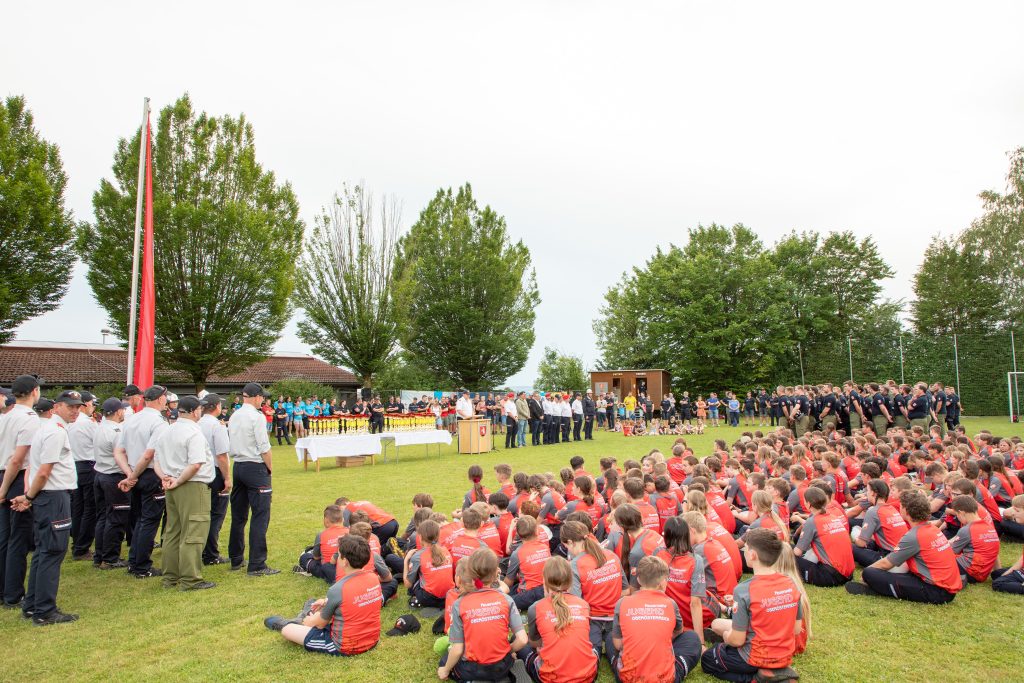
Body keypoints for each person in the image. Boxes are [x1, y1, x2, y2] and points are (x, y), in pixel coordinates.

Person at [10, 390, 84, 624]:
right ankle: (44, 610)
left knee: (44, 552)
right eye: (70, 406)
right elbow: (44, 471)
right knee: (52, 552)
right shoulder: (55, 432)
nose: (75, 410)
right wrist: (29, 496)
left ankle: (33, 606)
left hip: (48, 495)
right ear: (57, 406)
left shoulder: (48, 429)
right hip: (53, 496)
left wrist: (30, 495)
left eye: (78, 406)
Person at [701, 529, 803, 683]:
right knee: (718, 625)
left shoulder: (744, 590)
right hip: (782, 656)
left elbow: (737, 640)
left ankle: (756, 679)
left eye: (746, 549)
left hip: (753, 657)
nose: (744, 552)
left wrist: (727, 638)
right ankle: (774, 672)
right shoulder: (792, 584)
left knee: (708, 659)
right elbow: (795, 629)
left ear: (753, 554)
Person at [265, 535, 383, 656]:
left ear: (345, 561)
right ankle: (305, 615)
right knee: (317, 607)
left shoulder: (337, 589)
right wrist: (327, 602)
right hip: (372, 639)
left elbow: (320, 624)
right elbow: (355, 600)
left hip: (345, 645)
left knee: (288, 630)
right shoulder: (373, 578)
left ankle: (291, 622)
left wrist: (309, 620)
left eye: (338, 555)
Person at [846, 491, 963, 603]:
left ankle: (881, 589)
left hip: (937, 591)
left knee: (870, 573)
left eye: (901, 506)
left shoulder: (915, 535)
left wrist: (867, 571)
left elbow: (887, 563)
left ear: (906, 511)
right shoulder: (931, 529)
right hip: (944, 586)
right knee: (893, 571)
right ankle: (883, 587)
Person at [153, 395, 216, 591]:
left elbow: (156, 461)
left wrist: (165, 477)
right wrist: (178, 480)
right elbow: (196, 463)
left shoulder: (166, 431)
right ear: (195, 411)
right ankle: (191, 579)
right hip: (191, 485)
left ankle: (170, 577)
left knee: (173, 532)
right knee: (193, 532)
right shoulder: (193, 433)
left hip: (172, 484)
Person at [439, 547, 528, 681]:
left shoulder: (460, 603)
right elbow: (522, 639)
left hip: (472, 668)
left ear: (470, 572)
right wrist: (508, 651)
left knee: (446, 658)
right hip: (502, 665)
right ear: (495, 574)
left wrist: (444, 670)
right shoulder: (506, 599)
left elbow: (457, 649)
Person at [610, 555, 702, 682]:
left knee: (611, 638)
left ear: (639, 579)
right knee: (692, 638)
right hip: (664, 679)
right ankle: (674, 665)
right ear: (662, 582)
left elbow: (618, 643)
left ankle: (618, 662)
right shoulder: (670, 604)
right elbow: (677, 633)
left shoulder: (622, 603)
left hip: (628, 678)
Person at [516, 555, 599, 683]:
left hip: (551, 679)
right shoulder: (583, 604)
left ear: (544, 581)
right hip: (587, 677)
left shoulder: (535, 608)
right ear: (570, 582)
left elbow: (534, 644)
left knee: (521, 642)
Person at [118, 384, 170, 579]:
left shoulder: (133, 419)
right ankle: (141, 565)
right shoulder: (158, 423)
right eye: (165, 397)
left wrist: (129, 473)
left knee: (140, 518)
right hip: (148, 473)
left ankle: (135, 561)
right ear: (159, 399)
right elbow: (150, 454)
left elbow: (120, 450)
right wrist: (132, 475)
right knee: (149, 520)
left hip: (134, 470)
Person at [0, 375, 42, 609]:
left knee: (5, 536)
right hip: (15, 477)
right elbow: (18, 458)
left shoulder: (6, 416)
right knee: (18, 538)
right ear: (35, 391)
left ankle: (5, 588)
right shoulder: (28, 418)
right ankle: (13, 593)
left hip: (5, 473)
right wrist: (5, 488)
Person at [228, 382, 278, 576]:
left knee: (239, 515)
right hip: (255, 466)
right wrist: (269, 468)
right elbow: (264, 446)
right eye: (262, 397)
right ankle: (257, 563)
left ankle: (236, 557)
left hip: (239, 465)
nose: (263, 400)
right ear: (256, 397)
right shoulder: (256, 417)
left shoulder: (235, 415)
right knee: (260, 515)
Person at [561, 520, 626, 659]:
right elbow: (626, 590)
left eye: (566, 545)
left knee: (590, 652)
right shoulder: (611, 555)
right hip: (616, 618)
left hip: (592, 620)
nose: (567, 549)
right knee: (613, 648)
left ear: (571, 542)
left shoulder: (574, 565)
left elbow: (577, 604)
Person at [91, 397, 130, 570]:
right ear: (119, 411)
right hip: (114, 476)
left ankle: (100, 555)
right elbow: (119, 453)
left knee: (103, 517)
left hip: (100, 474)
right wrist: (130, 474)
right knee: (116, 518)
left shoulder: (100, 427)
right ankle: (110, 558)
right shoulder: (117, 431)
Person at [792, 487, 854, 587]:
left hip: (832, 575)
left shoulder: (813, 521)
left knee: (786, 557)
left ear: (808, 504)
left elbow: (797, 552)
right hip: (848, 573)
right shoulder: (833, 517)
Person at [198, 393, 232, 566]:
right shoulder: (217, 426)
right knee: (216, 514)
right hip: (215, 473)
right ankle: (211, 554)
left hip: (199, 474)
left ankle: (203, 550)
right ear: (217, 406)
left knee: (202, 514)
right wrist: (227, 478)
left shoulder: (197, 423)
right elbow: (222, 456)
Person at [67, 390, 98, 562]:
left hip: (74, 466)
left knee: (77, 508)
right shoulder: (88, 423)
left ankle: (76, 543)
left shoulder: (69, 422)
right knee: (89, 509)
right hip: (87, 465)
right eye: (92, 404)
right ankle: (81, 547)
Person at [404, 519, 455, 609]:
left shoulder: (418, 556)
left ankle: (418, 600)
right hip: (449, 595)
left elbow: (407, 584)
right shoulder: (445, 550)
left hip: (429, 598)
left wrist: (406, 560)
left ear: (420, 537)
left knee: (414, 577)